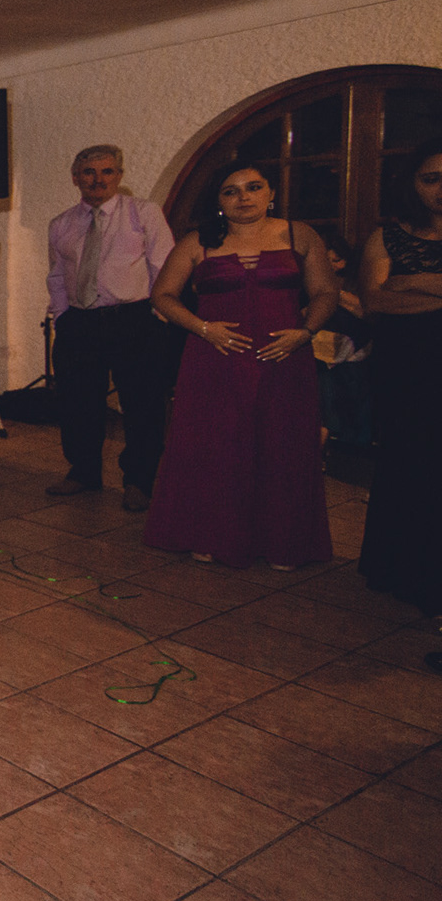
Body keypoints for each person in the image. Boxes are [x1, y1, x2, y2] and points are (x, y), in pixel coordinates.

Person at [144, 163, 338, 568]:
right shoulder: (197, 242)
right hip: (215, 358)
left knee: (282, 447)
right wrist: (203, 328)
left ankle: (283, 542)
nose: (243, 197)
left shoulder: (299, 235)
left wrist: (305, 333)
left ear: (271, 193)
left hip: (284, 357)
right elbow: (162, 295)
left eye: (253, 187)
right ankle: (211, 534)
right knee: (216, 447)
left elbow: (324, 292)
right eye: (230, 190)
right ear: (218, 201)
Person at [45, 144, 175, 511]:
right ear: (75, 178)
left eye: (106, 171)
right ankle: (83, 471)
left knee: (142, 404)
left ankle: (139, 480)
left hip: (133, 319)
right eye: (89, 172)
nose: (98, 179)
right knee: (77, 402)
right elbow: (57, 275)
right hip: (79, 322)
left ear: (119, 176)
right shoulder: (61, 224)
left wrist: (158, 316)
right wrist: (62, 316)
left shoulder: (144, 213)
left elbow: (163, 266)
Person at [358, 138, 442, 617]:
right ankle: (401, 567)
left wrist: (413, 281)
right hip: (405, 369)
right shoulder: (387, 236)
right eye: (431, 179)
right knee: (407, 462)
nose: (441, 189)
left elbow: (395, 290)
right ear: (413, 184)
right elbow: (375, 301)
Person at [313, 232, 372, 455]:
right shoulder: (309, 283)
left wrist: (334, 294)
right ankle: (327, 439)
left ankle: (353, 442)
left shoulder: (354, 283)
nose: (331, 266)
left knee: (352, 387)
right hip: (319, 351)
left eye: (336, 260)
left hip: (354, 350)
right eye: (326, 261)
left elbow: (366, 311)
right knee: (325, 390)